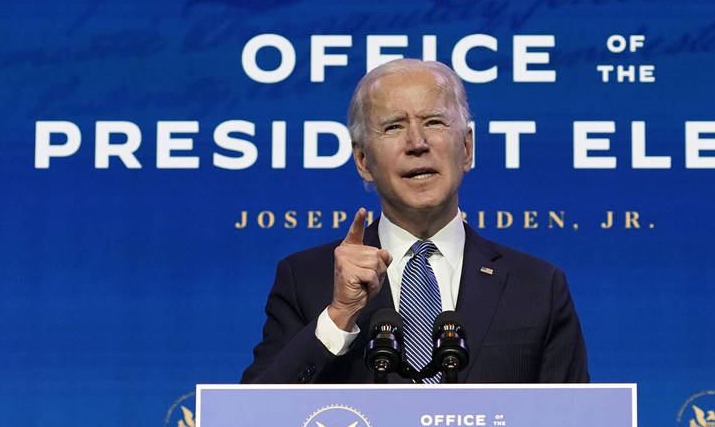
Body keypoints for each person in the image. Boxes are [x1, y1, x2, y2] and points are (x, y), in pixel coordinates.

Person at [241, 58, 588, 383]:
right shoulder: (306, 280)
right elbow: (252, 423)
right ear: (362, 160)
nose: (417, 143)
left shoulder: (537, 286)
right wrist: (338, 317)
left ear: (466, 148)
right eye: (393, 127)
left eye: (434, 122)